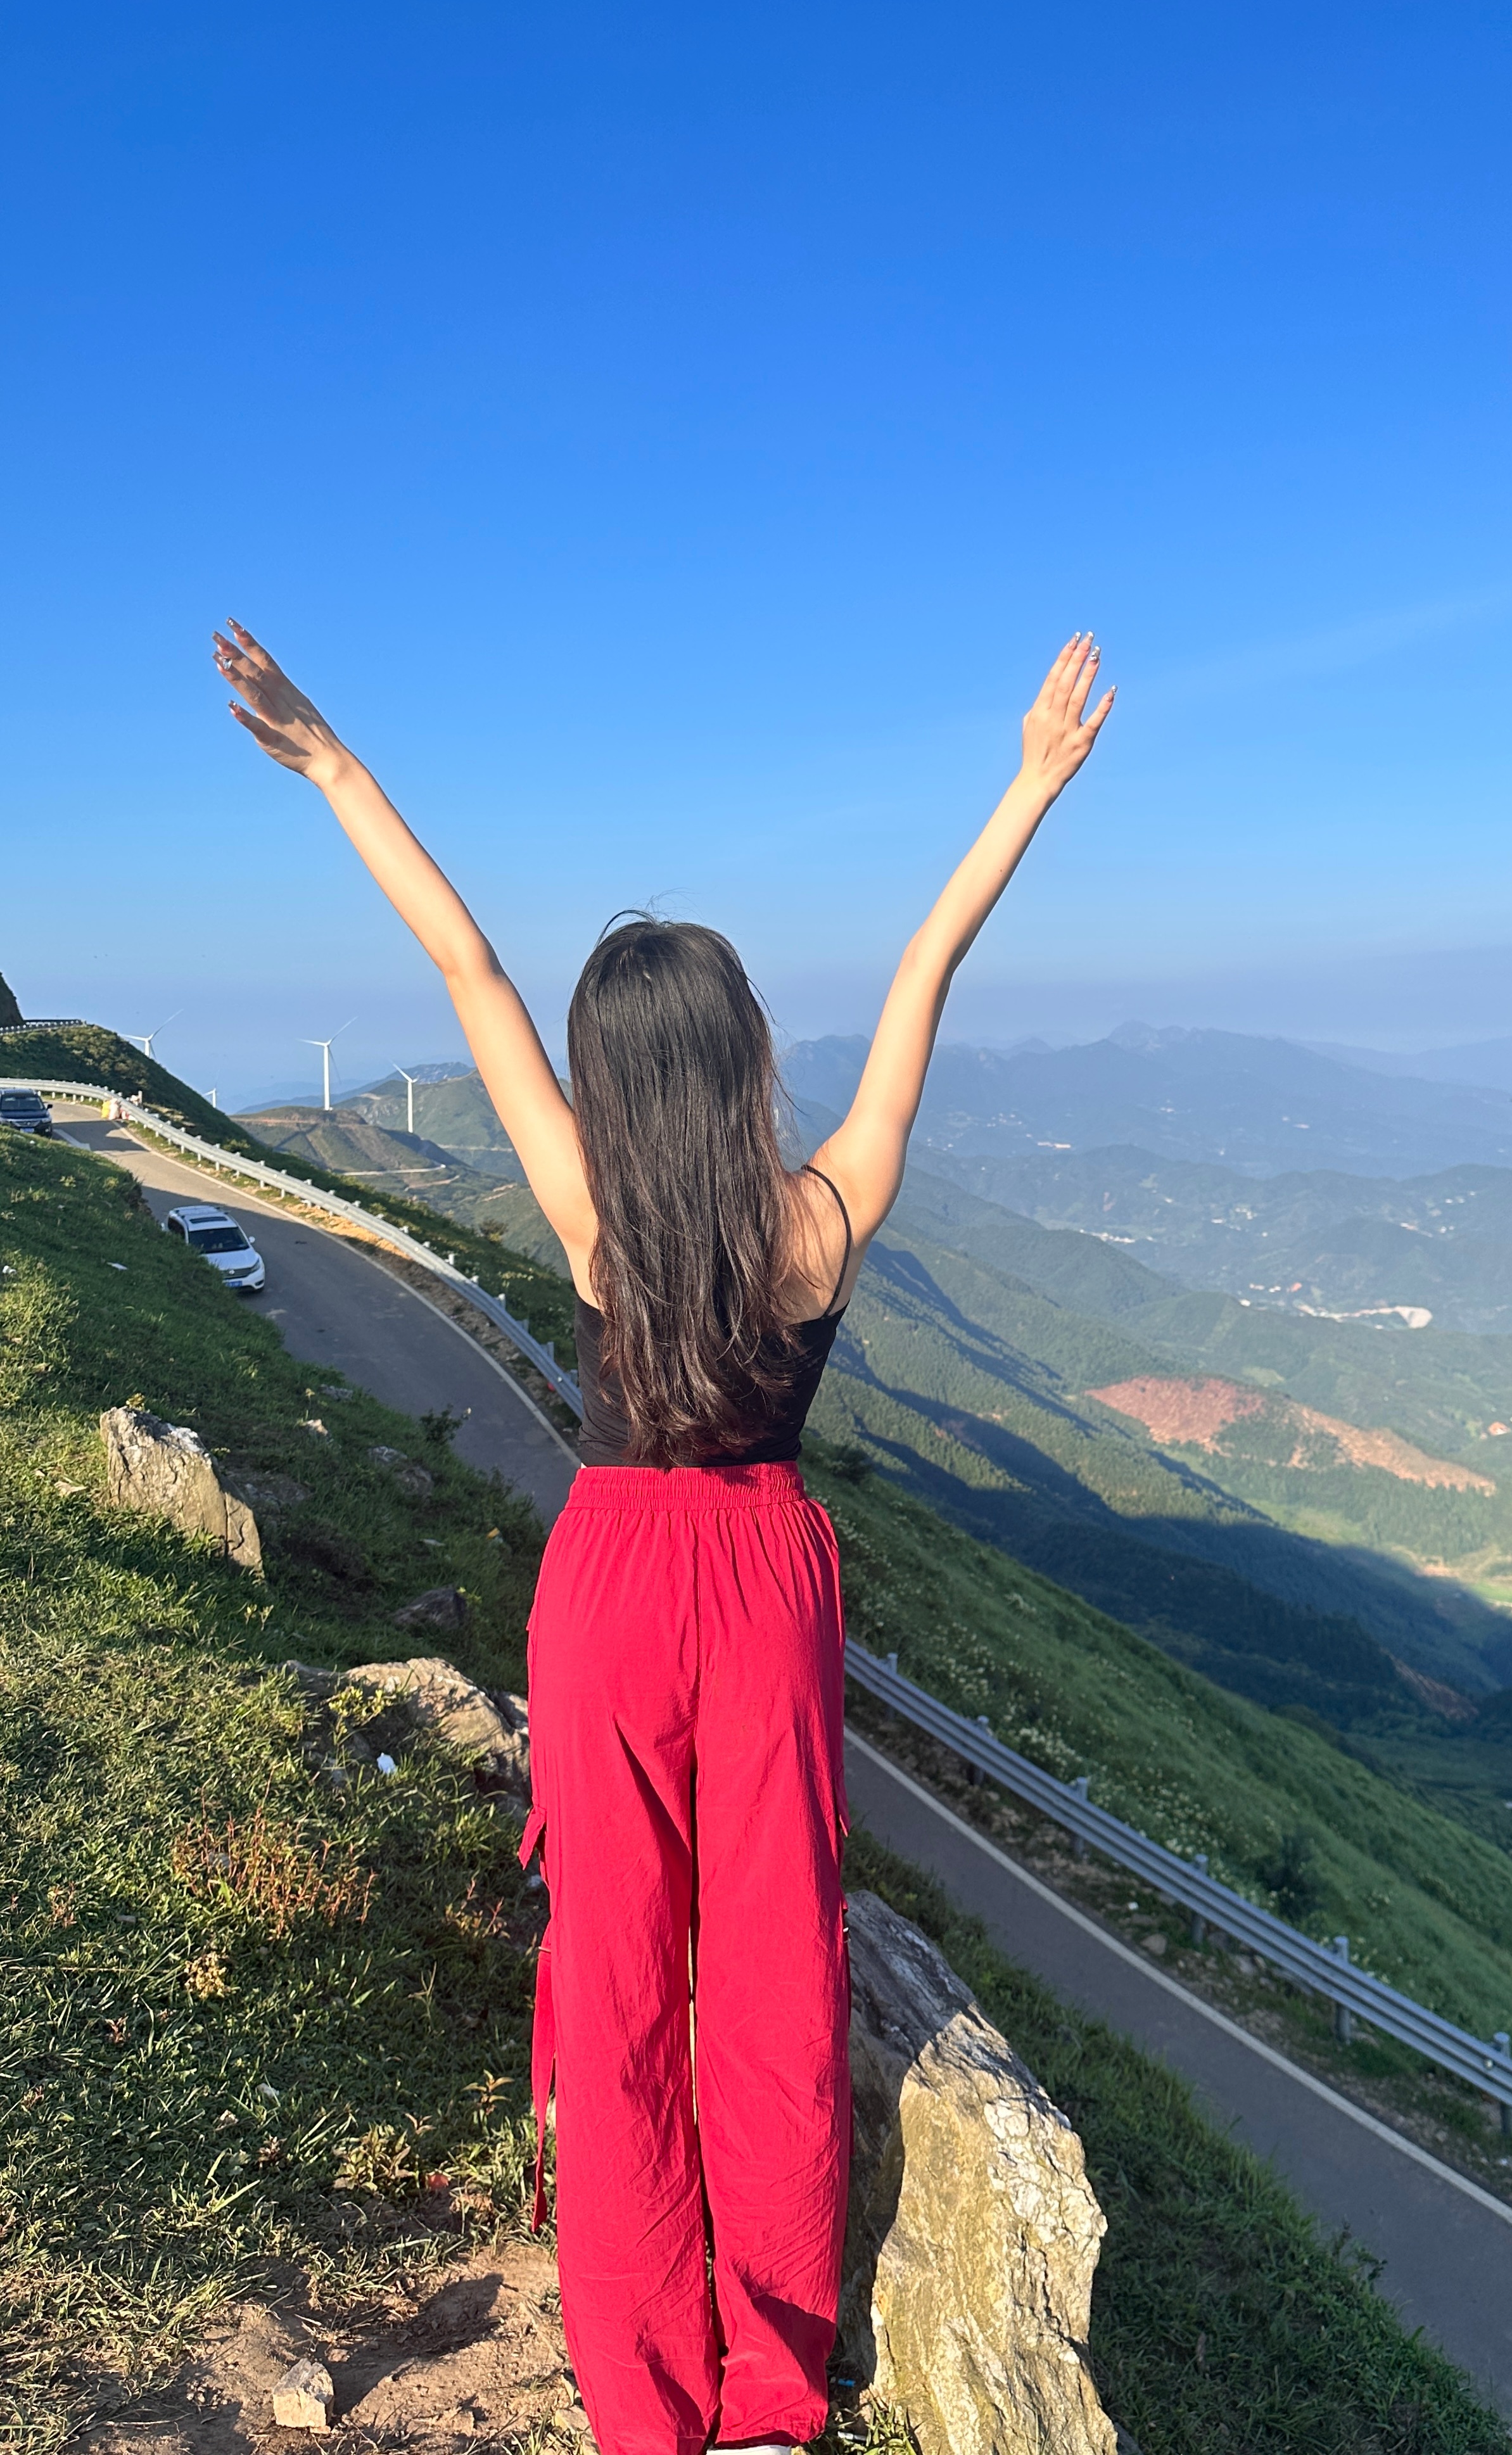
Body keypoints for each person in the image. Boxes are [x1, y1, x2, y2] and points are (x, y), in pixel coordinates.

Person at [214, 620, 1114, 2455]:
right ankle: (775, 2401)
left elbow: (460, 962)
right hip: (768, 1574)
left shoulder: (589, 1220)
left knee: (619, 1979)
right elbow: (931, 960)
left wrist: (332, 769)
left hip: (612, 1579)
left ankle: (646, 2406)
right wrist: (1029, 778)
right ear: (746, 1062)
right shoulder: (825, 1214)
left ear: (614, 1087)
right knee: (775, 1974)